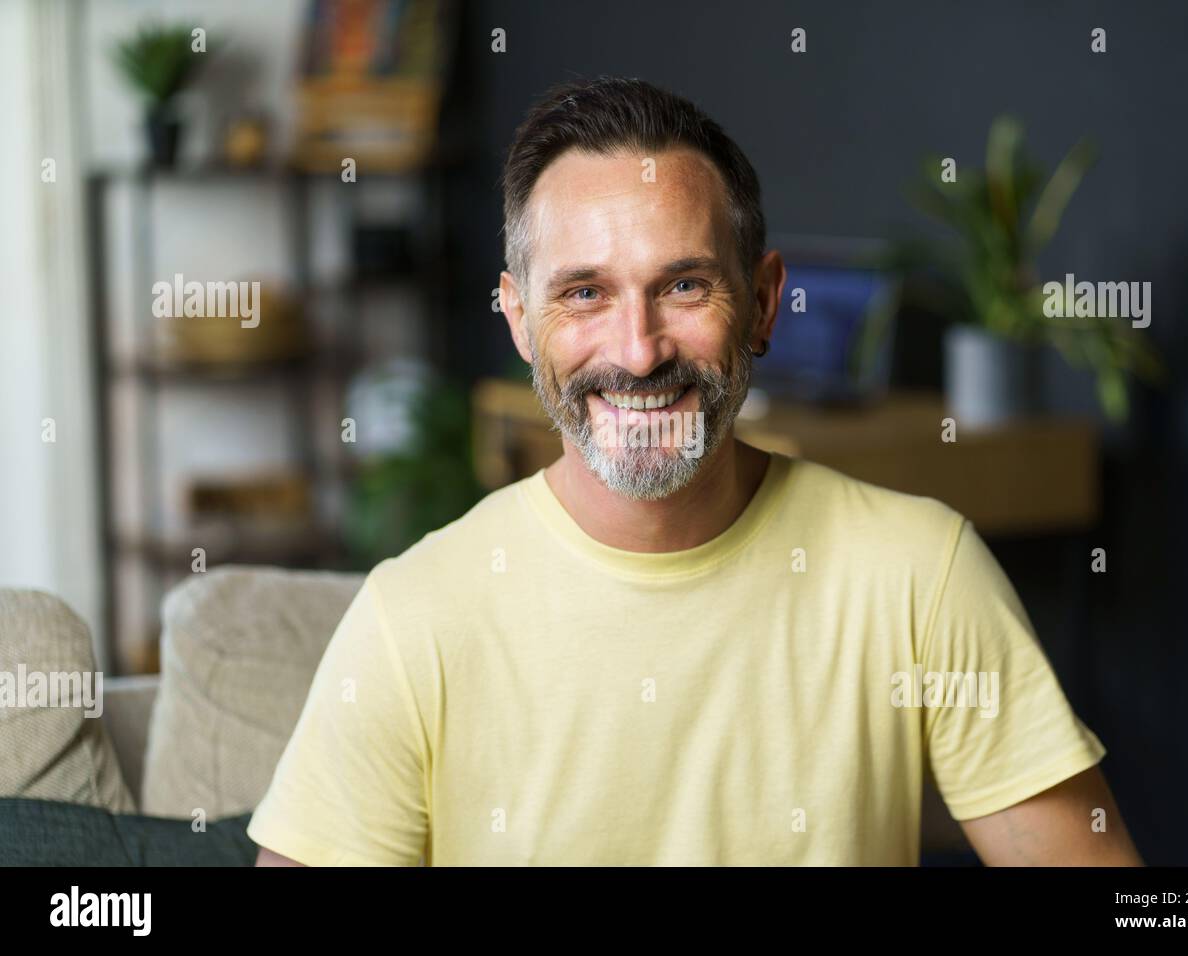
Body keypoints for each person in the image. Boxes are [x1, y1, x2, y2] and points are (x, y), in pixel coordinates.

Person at [249, 76, 1141, 866]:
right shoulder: (414, 619)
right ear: (519, 320)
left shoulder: (919, 573)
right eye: (585, 293)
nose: (638, 354)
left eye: (683, 286)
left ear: (762, 301)